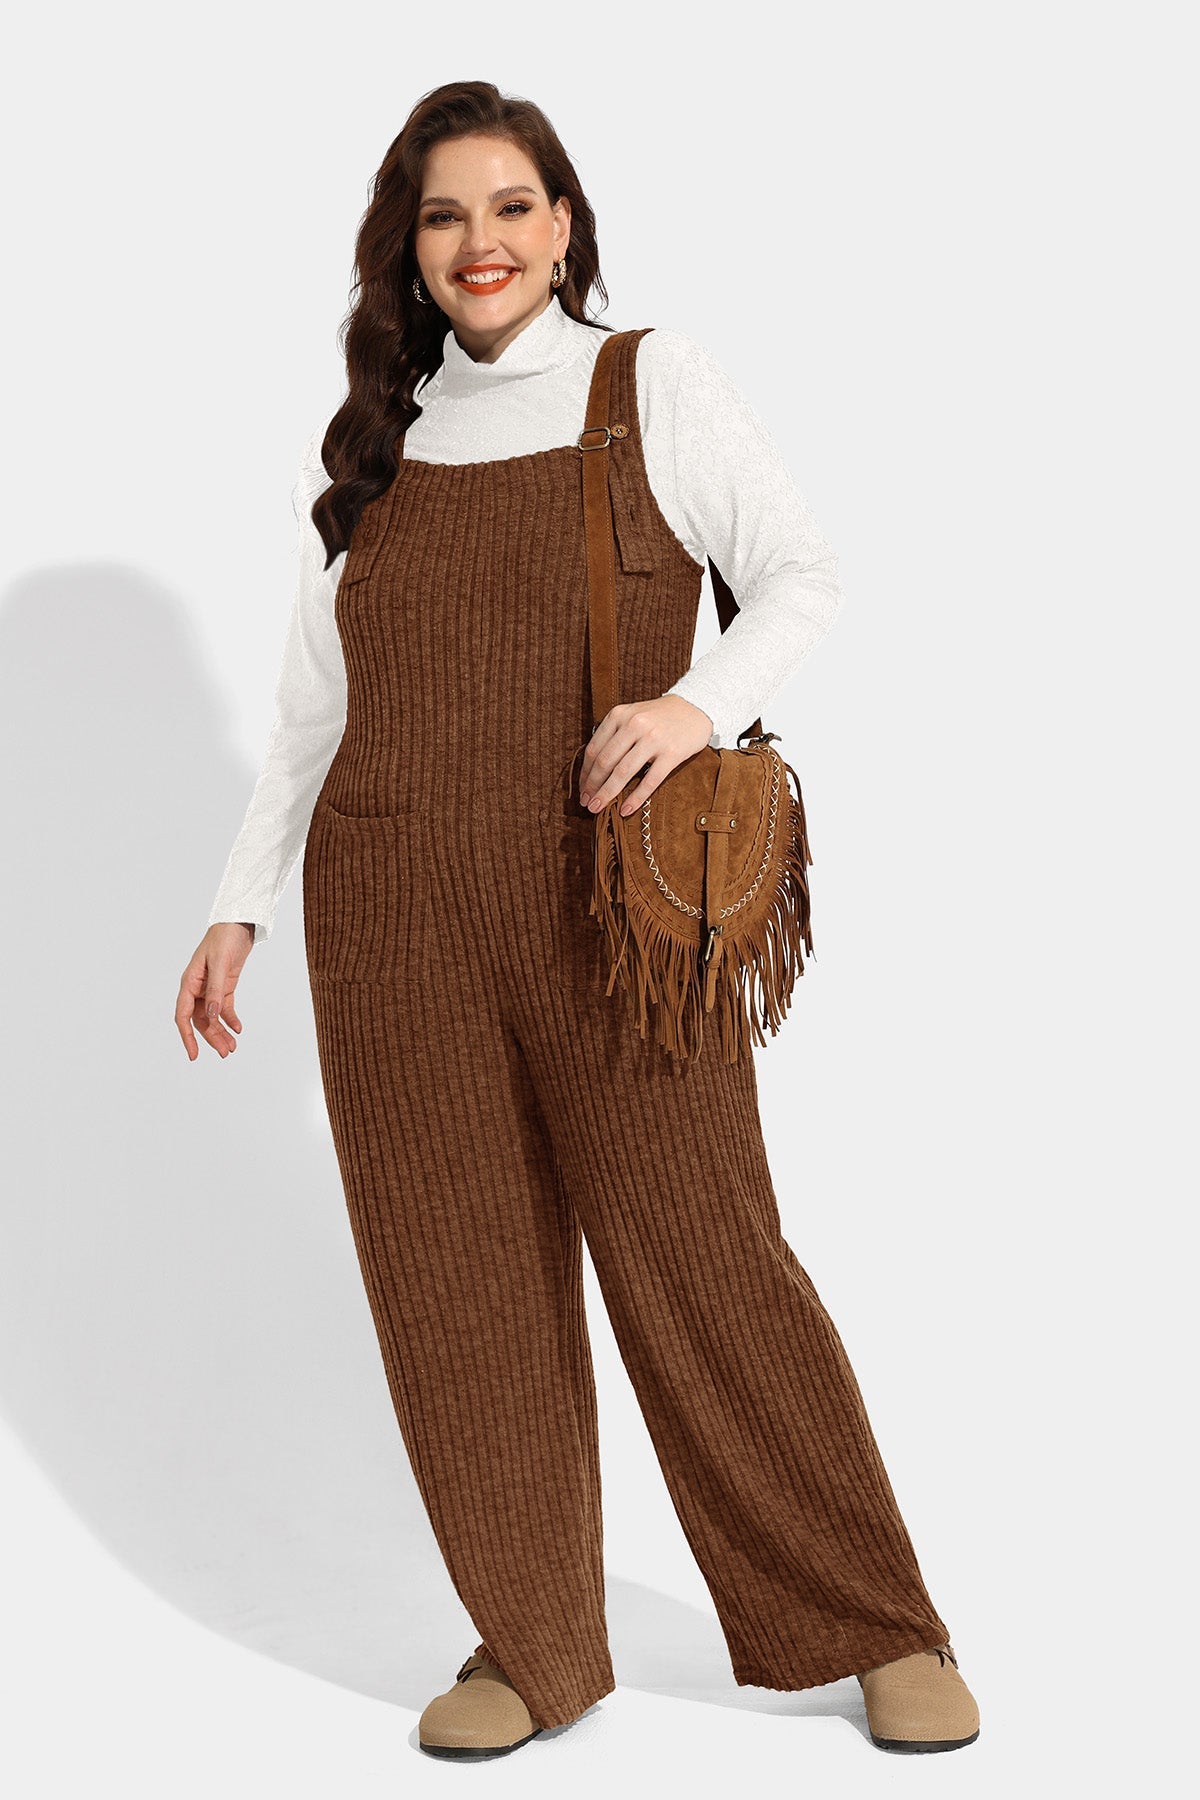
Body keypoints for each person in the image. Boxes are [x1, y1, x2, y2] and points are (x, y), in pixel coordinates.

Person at [176, 79, 980, 1762]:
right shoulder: (378, 446)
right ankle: (531, 1642)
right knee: (455, 1280)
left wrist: (693, 708)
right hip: (388, 909)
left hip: (613, 909)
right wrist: (237, 908)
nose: (482, 241)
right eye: (446, 215)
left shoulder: (647, 385)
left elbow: (805, 572)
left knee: (707, 1254)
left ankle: (872, 1621)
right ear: (407, 249)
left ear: (564, 226)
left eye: (512, 206)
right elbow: (315, 710)